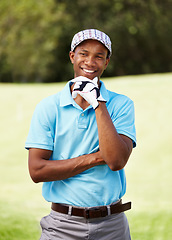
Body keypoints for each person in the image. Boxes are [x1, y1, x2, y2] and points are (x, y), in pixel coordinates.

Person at [25, 29, 136, 240]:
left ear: (106, 62)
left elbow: (115, 161)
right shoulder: (48, 107)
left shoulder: (122, 104)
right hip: (61, 225)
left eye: (99, 56)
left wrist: (98, 102)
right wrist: (96, 157)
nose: (90, 62)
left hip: (112, 226)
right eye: (83, 54)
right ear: (72, 56)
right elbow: (37, 171)